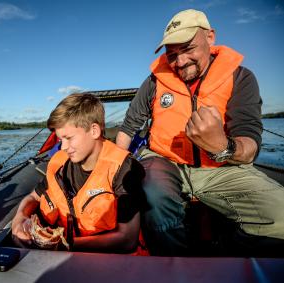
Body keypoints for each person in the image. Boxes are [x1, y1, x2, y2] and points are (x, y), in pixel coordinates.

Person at [116, 9, 284, 256]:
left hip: (222, 168)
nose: (180, 62)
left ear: (210, 37)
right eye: (172, 55)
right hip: (165, 161)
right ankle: (174, 263)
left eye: (187, 49)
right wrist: (112, 172)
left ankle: (226, 253)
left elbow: (249, 145)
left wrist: (222, 147)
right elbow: (129, 127)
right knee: (153, 192)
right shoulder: (154, 81)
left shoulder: (241, 77)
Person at [12, 93, 146, 253]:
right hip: (63, 258)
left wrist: (64, 245)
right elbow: (34, 196)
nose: (62, 147)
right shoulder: (58, 164)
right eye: (61, 140)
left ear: (94, 131)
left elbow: (127, 239)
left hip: (113, 262)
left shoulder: (124, 169)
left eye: (69, 138)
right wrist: (20, 217)